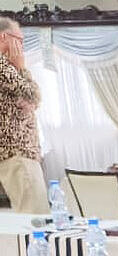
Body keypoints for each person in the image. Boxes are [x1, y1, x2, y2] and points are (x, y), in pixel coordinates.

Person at [0, 18, 48, 214]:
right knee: (35, 217)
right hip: (17, 151)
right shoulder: (3, 66)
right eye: (19, 39)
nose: (22, 45)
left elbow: (36, 98)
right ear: (4, 37)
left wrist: (31, 97)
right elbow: (32, 94)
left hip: (19, 153)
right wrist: (21, 66)